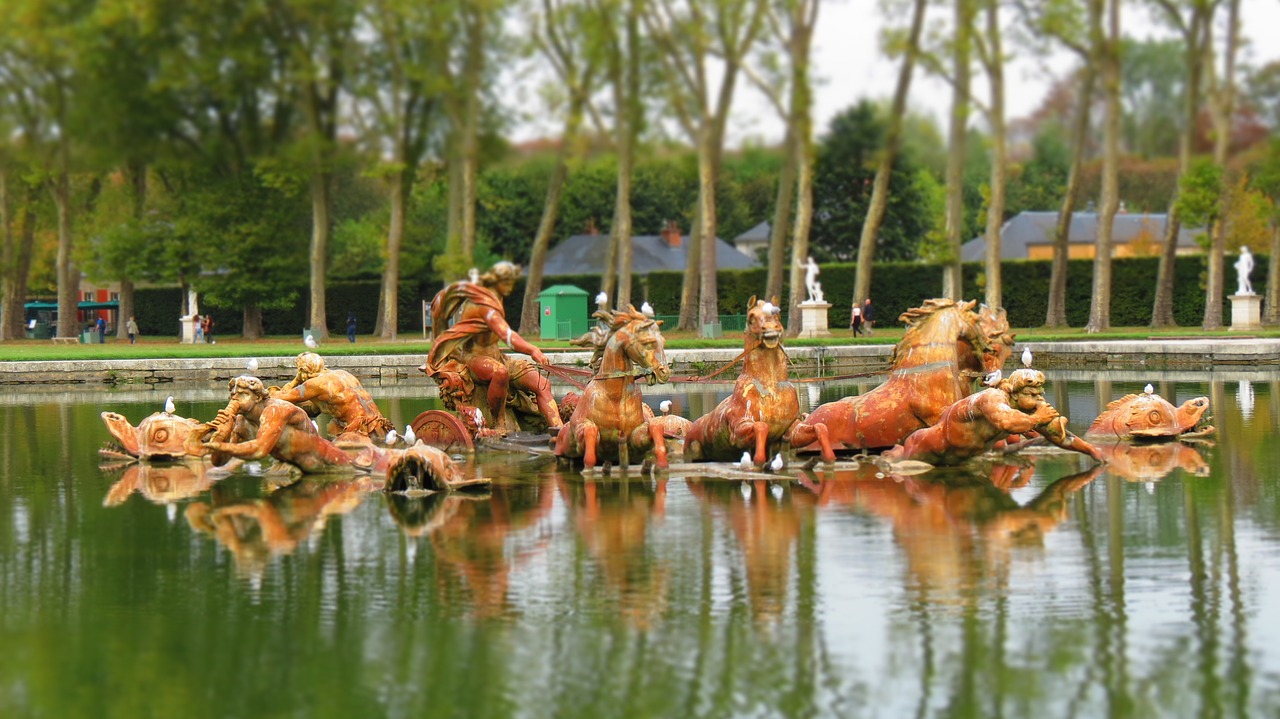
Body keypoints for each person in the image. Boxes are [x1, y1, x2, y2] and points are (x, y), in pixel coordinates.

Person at [424, 261, 562, 434]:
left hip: (499, 357)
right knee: (499, 373)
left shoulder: (496, 298)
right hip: (475, 359)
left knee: (542, 383)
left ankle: (559, 429)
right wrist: (533, 350)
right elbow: (508, 336)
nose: (510, 288)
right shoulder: (483, 304)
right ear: (496, 281)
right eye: (507, 283)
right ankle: (499, 423)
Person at [884, 368, 1105, 466]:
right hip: (928, 446)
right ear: (1015, 394)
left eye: (1039, 394)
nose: (1039, 399)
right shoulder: (992, 398)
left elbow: (1061, 437)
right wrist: (1039, 418)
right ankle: (895, 452)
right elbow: (1005, 422)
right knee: (902, 461)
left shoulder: (1030, 410)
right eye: (1032, 394)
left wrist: (1092, 450)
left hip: (959, 460)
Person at [200, 375, 353, 473]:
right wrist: (222, 434)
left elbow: (260, 450)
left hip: (327, 462)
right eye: (233, 395)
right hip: (293, 467)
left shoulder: (275, 410)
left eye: (242, 395)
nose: (235, 399)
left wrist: (219, 446)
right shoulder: (241, 422)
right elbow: (219, 462)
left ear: (258, 398)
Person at [274, 352, 394, 441]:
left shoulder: (315, 384)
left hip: (358, 431)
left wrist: (296, 380)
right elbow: (314, 409)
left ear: (302, 371)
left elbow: (279, 397)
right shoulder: (342, 374)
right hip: (379, 425)